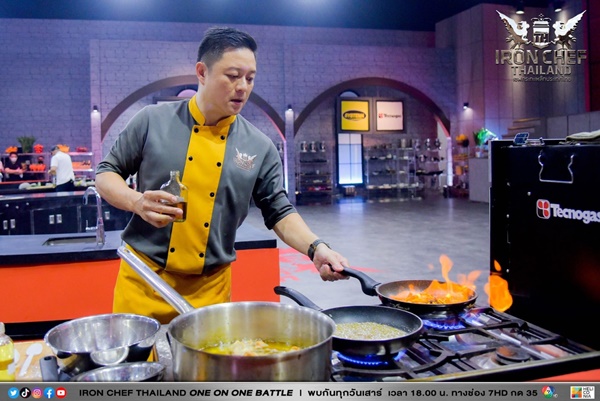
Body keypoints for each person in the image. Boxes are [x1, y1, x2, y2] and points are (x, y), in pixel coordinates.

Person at [96, 26, 349, 324]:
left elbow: (279, 210)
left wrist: (316, 248)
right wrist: (136, 202)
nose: (243, 87)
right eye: (232, 76)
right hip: (143, 279)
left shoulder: (259, 146)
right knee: (139, 356)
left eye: (250, 78)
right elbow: (106, 173)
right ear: (202, 72)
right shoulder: (152, 121)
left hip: (210, 290)